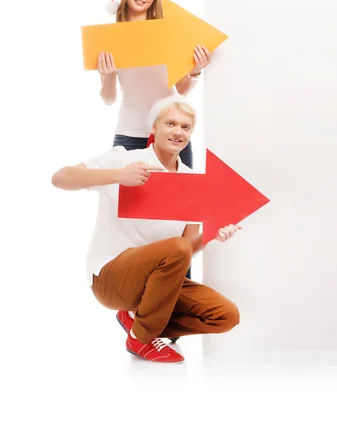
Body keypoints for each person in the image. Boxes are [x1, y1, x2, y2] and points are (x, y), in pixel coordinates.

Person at [51, 96, 241, 364]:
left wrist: (211, 234)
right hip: (111, 277)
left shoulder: (191, 182)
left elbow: (186, 250)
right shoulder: (125, 160)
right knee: (176, 248)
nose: (178, 132)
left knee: (225, 315)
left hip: (156, 286)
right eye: (170, 123)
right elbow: (60, 178)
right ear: (154, 128)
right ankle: (141, 339)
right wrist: (119, 176)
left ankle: (139, 321)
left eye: (185, 127)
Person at [98, 0, 209, 282]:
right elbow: (107, 97)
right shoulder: (110, 37)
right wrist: (106, 75)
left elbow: (180, 90)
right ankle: (132, 301)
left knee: (180, 219)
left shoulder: (168, 33)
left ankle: (177, 298)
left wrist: (195, 70)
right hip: (131, 134)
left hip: (171, 131)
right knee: (131, 220)